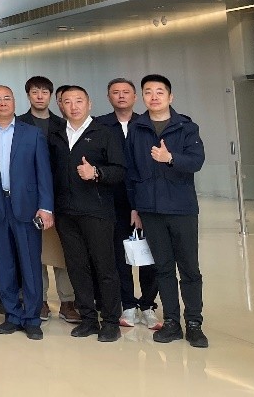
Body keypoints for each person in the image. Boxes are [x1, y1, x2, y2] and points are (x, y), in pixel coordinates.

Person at [126, 74, 207, 348]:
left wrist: (170, 158)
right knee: (162, 268)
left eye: (160, 92)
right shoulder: (137, 128)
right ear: (143, 97)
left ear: (170, 97)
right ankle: (171, 321)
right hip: (150, 209)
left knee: (189, 268)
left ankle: (194, 322)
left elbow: (196, 161)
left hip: (181, 208)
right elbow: (131, 171)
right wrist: (135, 207)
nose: (154, 97)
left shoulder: (186, 127)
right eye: (148, 92)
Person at [0, 85, 54, 340]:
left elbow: (44, 172)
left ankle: (32, 317)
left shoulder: (33, 133)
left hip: (27, 207)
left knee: (30, 264)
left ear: (14, 102)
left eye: (7, 98)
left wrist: (46, 207)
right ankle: (12, 314)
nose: (3, 102)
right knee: (3, 264)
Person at [47, 85, 125, 342]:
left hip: (97, 211)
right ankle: (88, 319)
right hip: (66, 213)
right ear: (61, 105)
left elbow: (120, 170)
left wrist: (97, 173)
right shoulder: (56, 134)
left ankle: (111, 321)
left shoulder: (105, 133)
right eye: (68, 101)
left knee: (105, 267)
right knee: (77, 267)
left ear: (89, 104)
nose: (74, 106)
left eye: (79, 100)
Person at [94, 78, 160, 329]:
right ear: (108, 97)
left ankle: (148, 304)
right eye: (115, 92)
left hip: (145, 200)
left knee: (149, 254)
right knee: (118, 255)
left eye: (126, 92)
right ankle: (128, 304)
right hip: (112, 201)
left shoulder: (147, 124)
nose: (121, 96)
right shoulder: (99, 125)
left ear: (135, 97)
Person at [18, 75, 77, 323]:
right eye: (35, 92)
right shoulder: (19, 123)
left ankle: (68, 301)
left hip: (60, 196)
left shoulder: (63, 124)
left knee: (63, 250)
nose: (40, 96)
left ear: (52, 96)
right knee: (35, 250)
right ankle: (39, 299)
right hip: (28, 196)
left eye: (44, 92)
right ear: (28, 95)